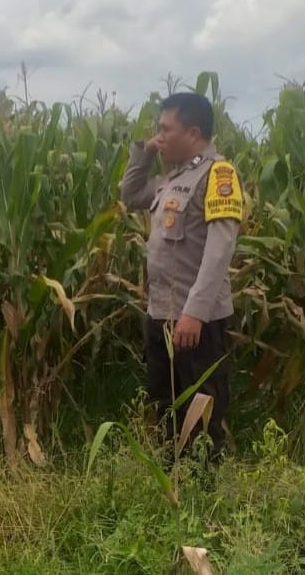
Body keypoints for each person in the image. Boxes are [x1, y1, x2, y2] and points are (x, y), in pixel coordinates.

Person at [119, 92, 243, 464]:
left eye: (164, 129)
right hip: (161, 313)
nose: (159, 135)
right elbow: (129, 194)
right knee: (166, 404)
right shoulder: (171, 178)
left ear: (192, 132)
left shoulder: (218, 175)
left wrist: (194, 313)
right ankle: (173, 481)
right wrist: (146, 150)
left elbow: (219, 251)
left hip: (195, 320)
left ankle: (202, 493)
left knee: (202, 409)